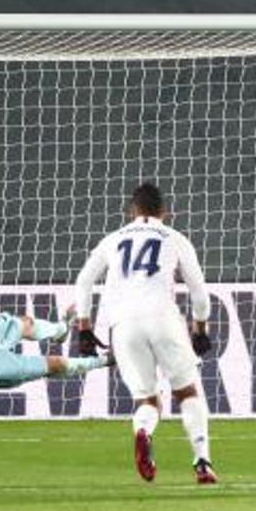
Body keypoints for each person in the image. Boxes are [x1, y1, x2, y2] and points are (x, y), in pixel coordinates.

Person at [70, 182, 217, 485]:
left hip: (122, 324)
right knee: (187, 391)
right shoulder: (175, 238)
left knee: (146, 399)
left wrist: (84, 328)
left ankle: (143, 432)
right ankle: (202, 462)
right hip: (163, 317)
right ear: (165, 212)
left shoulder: (113, 239)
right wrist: (200, 328)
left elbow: (84, 281)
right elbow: (199, 291)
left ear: (132, 211)